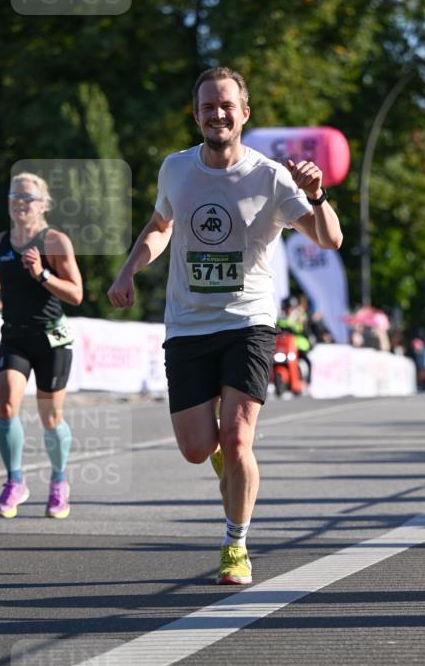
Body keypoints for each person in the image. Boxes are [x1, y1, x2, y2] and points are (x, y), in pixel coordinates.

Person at [107, 67, 343, 586]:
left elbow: (330, 239)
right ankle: (227, 472)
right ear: (196, 115)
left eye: (226, 105)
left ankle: (235, 544)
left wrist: (319, 195)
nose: (218, 113)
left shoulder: (271, 177)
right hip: (187, 323)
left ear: (244, 113)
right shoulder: (175, 169)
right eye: (208, 106)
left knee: (237, 440)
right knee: (198, 449)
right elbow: (160, 226)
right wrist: (128, 268)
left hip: (248, 321)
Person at [0, 173, 83, 518]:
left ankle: (58, 482)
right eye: (14, 196)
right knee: (7, 405)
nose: (19, 202)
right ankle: (15, 482)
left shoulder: (55, 241)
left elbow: (77, 293)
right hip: (14, 335)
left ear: (43, 205)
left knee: (50, 416)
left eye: (27, 197)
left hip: (51, 338)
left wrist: (42, 274)